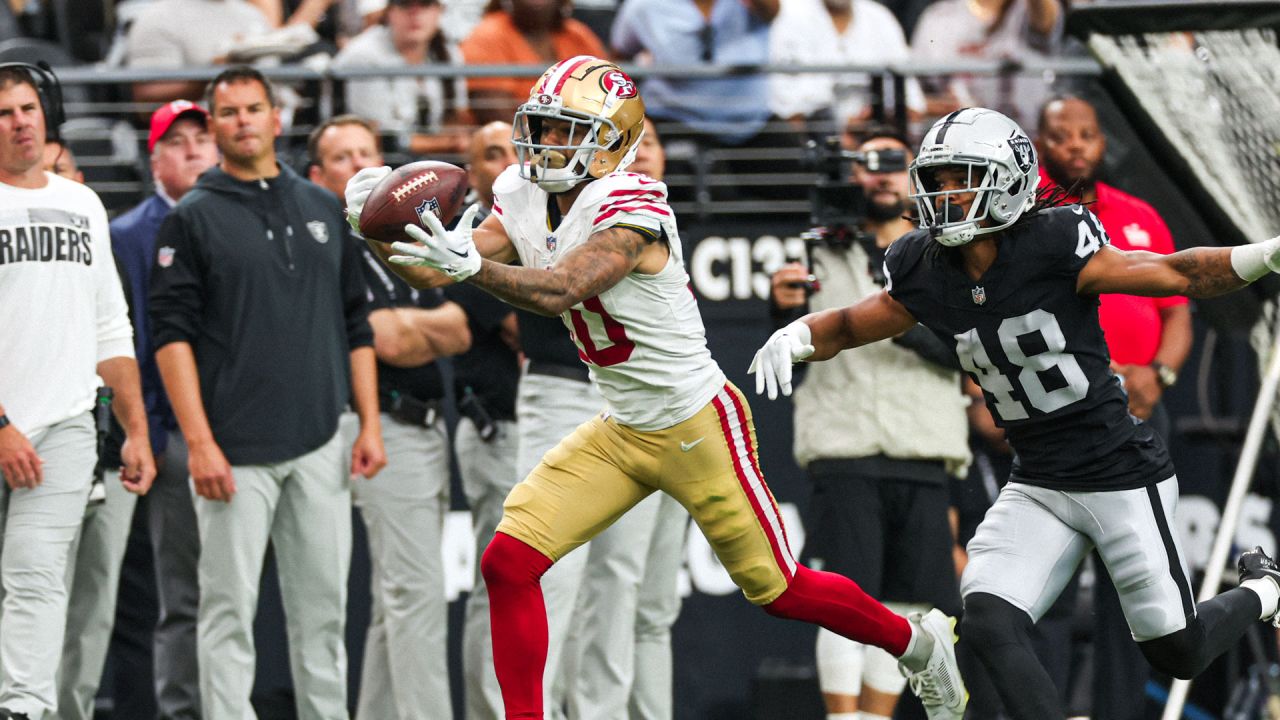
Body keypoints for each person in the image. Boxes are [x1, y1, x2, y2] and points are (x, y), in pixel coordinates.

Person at [345, 56, 968, 720]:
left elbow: (561, 289)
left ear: (614, 140)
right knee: (508, 563)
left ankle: (916, 642)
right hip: (621, 427)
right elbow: (437, 274)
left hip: (695, 423)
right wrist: (381, 231)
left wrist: (469, 264)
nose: (547, 145)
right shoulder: (521, 193)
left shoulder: (635, 204)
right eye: (544, 128)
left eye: (566, 131)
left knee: (777, 587)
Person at [749, 105, 1280, 720]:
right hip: (1036, 479)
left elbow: (1174, 271)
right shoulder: (924, 264)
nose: (945, 196)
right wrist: (796, 336)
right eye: (938, 180)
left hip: (1119, 469)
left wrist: (1265, 255)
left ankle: (1265, 588)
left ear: (1008, 181)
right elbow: (848, 322)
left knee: (1177, 651)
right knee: (986, 622)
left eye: (962, 178)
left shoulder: (1056, 242)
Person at [150, 66, 385, 720]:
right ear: (216, 124)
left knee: (324, 618)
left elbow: (354, 320)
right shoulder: (193, 217)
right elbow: (170, 338)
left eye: (254, 108)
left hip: (320, 440)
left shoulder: (320, 206)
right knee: (226, 617)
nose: (244, 121)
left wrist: (367, 423)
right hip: (232, 452)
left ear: (276, 119)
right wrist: (198, 443)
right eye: (229, 112)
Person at [768, 130, 970, 720]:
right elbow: (790, 331)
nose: (879, 175)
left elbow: (962, 349)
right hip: (845, 443)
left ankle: (875, 717)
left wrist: (885, 316)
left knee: (910, 604)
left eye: (893, 164)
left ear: (916, 176)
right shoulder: (818, 251)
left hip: (926, 445)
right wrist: (778, 306)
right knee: (845, 596)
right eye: (867, 164)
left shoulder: (947, 254)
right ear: (849, 176)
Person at [0, 63, 156, 720]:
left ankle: (25, 709)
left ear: (48, 114)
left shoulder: (83, 204)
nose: (20, 121)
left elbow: (109, 324)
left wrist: (137, 429)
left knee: (36, 575)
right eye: (4, 112)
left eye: (28, 107)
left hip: (66, 422)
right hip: (4, 418)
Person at [307, 113, 472, 720]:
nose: (359, 166)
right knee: (417, 595)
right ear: (318, 176)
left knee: (393, 602)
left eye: (367, 153)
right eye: (343, 157)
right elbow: (380, 338)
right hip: (379, 426)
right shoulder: (327, 242)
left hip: (428, 425)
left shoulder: (408, 237)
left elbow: (457, 329)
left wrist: (411, 331)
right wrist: (413, 332)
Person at [1036, 94, 1193, 720]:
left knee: (1137, 583)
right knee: (1040, 579)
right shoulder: (1027, 217)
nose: (1076, 145)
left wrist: (1160, 373)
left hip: (1143, 413)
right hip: (1061, 417)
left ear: (1104, 144)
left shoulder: (1139, 216)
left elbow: (1179, 310)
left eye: (1087, 135)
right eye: (1061, 135)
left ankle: (1123, 712)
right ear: (1039, 144)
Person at [555, 118, 691, 720]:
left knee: (656, 603)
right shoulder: (570, 223)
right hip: (612, 414)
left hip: (677, 420)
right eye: (627, 146)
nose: (639, 156)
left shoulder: (666, 225)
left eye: (650, 145)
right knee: (613, 581)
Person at [108, 98, 220, 720]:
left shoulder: (232, 216)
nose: (194, 150)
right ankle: (174, 710)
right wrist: (143, 429)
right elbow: (125, 337)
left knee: (223, 594)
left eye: (202, 138)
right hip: (163, 433)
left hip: (229, 429)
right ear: (154, 158)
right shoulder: (125, 235)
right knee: (171, 595)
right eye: (177, 142)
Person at [447, 121, 526, 720]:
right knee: (498, 585)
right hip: (499, 426)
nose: (506, 160)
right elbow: (527, 326)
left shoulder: (537, 219)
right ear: (470, 172)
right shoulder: (463, 237)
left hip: (556, 423)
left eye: (513, 150)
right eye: (490, 154)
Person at [331, 0, 473, 157]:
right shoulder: (363, 55)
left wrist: (456, 140)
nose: (415, 14)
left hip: (435, 158)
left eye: (425, 5)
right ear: (389, 11)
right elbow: (377, 137)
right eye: (405, 5)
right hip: (382, 161)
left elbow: (458, 116)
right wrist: (447, 144)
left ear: (440, 11)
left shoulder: (448, 52)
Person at [768, 0, 925, 137]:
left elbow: (912, 102)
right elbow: (783, 103)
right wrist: (839, 131)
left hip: (873, 132)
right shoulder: (788, 14)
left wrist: (873, 119)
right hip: (814, 136)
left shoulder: (879, 17)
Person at [910, 0, 1061, 130]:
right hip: (960, 138)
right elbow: (917, 96)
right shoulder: (939, 16)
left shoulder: (1030, 10)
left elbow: (1045, 24)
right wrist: (946, 108)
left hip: (1024, 137)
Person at [459, 0, 606, 124]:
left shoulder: (578, 35)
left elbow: (608, 95)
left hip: (584, 140)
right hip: (517, 145)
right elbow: (492, 111)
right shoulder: (488, 34)